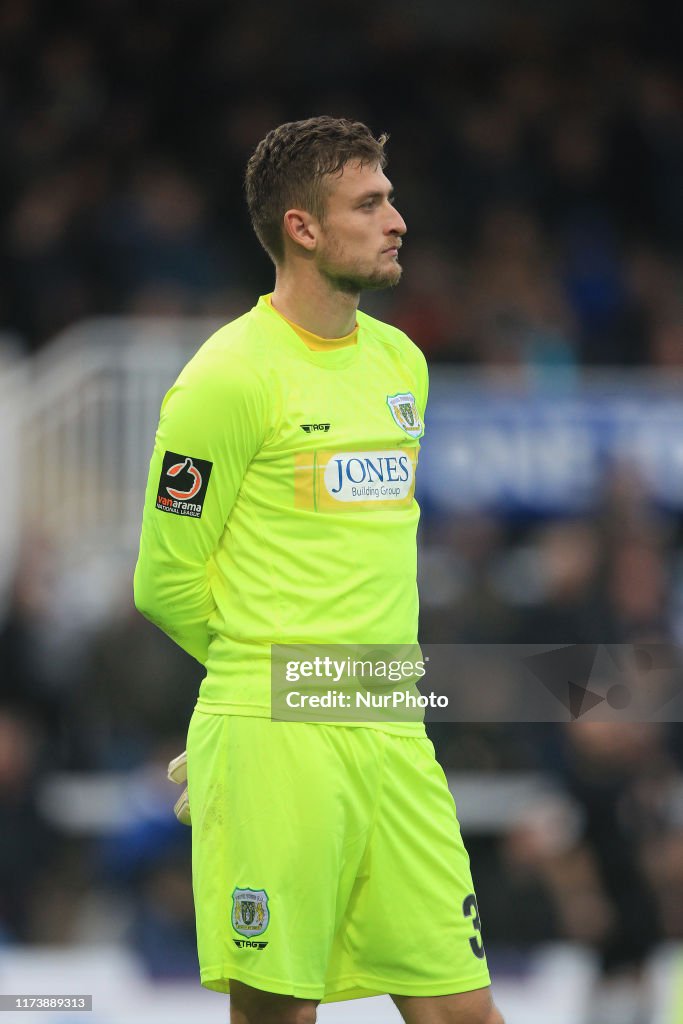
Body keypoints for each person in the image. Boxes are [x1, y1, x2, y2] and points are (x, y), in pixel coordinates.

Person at [134, 116, 503, 1024]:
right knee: (278, 1016)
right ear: (302, 229)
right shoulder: (227, 379)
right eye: (368, 203)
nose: (397, 220)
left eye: (390, 198)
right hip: (277, 738)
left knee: (464, 1013)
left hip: (392, 728)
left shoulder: (401, 364)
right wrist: (257, 693)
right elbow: (164, 580)